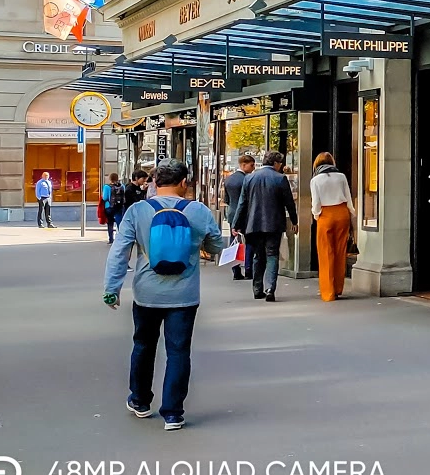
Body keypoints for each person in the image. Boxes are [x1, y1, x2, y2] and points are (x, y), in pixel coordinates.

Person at [101, 160, 223, 430]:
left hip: (147, 293)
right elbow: (216, 244)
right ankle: (173, 413)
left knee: (143, 345)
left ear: (155, 182)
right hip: (185, 294)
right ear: (184, 182)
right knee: (178, 351)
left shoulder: (138, 211)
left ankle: (140, 401)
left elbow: (119, 252)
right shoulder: (198, 210)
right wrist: (196, 243)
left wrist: (112, 289)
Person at [232, 150, 296, 302]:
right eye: (280, 163)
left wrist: (236, 224)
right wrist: (294, 220)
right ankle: (270, 289)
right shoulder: (280, 179)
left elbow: (242, 203)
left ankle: (257, 289)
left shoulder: (249, 178)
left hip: (253, 224)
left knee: (257, 256)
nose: (281, 166)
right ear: (276, 163)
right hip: (274, 224)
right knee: (272, 254)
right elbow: (289, 203)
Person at [309, 152, 355, 301]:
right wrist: (351, 214)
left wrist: (317, 215)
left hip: (325, 215)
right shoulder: (341, 176)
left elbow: (315, 203)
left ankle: (328, 292)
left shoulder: (315, 180)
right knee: (340, 251)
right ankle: (338, 288)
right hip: (342, 213)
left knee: (325, 253)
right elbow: (348, 197)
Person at [223, 154, 257, 282]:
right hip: (246, 214)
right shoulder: (248, 179)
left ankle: (236, 270)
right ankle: (248, 268)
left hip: (232, 213)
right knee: (249, 241)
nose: (253, 168)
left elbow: (226, 199)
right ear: (244, 165)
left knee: (235, 242)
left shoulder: (229, 179)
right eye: (251, 165)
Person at [100, 173, 120, 243]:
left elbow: (105, 198)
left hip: (109, 207)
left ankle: (111, 239)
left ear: (110, 178)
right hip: (119, 207)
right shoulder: (121, 186)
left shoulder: (106, 187)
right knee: (119, 223)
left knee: (110, 223)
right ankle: (120, 239)